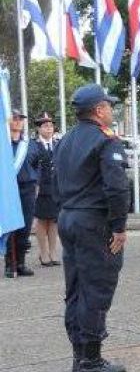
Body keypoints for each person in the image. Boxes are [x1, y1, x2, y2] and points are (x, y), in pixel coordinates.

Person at [54, 84, 130, 372]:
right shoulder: (105, 140)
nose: (112, 110)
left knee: (75, 288)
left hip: (68, 216)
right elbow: (116, 187)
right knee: (96, 287)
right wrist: (119, 226)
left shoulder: (66, 139)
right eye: (109, 105)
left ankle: (79, 354)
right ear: (99, 110)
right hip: (93, 221)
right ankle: (91, 360)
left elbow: (56, 178)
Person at [4, 108, 39, 278]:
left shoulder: (30, 144)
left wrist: (35, 182)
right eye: (14, 118)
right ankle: (10, 264)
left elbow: (37, 164)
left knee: (25, 226)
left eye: (20, 118)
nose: (18, 121)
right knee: (12, 226)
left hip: (27, 189)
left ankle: (21, 262)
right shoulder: (3, 144)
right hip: (9, 190)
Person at [32, 111, 61, 267]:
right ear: (39, 129)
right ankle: (43, 253)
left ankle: (53, 251)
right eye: (45, 126)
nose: (49, 129)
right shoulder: (33, 145)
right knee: (42, 221)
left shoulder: (58, 144)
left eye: (51, 125)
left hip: (55, 188)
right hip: (40, 188)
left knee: (54, 221)